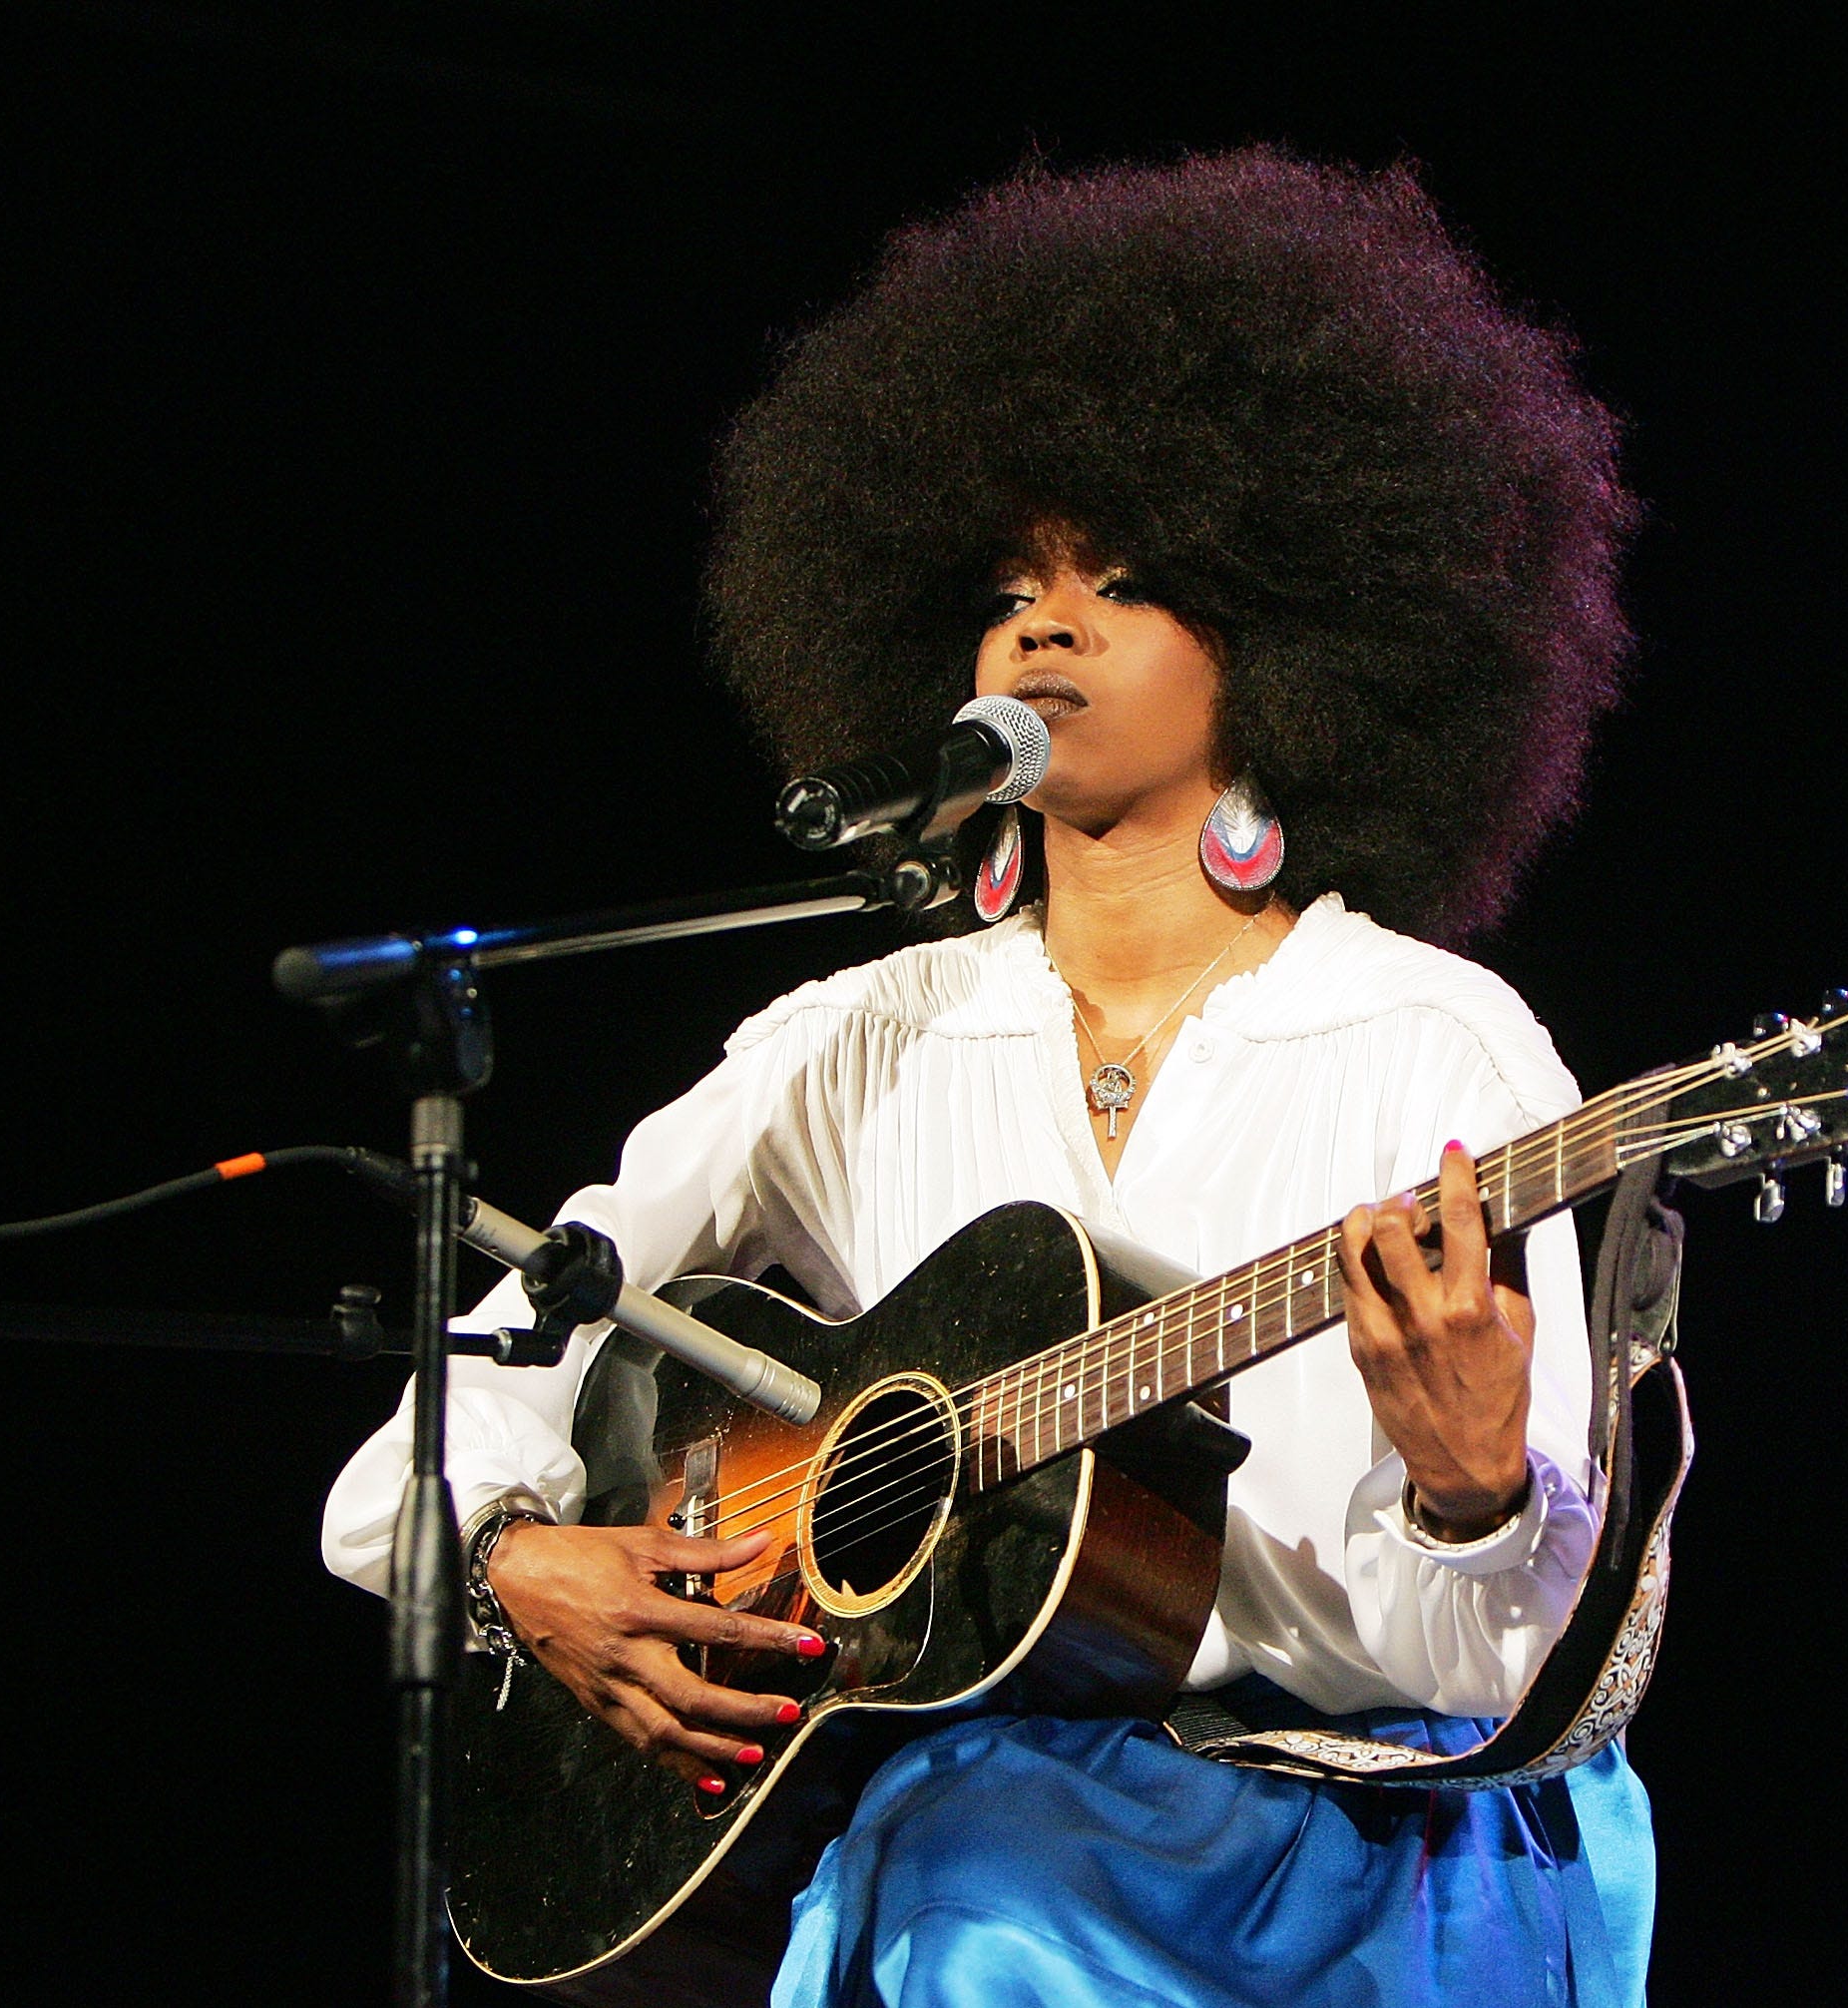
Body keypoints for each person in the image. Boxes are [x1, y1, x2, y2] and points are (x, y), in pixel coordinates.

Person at [324, 149, 1664, 2006]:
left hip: (1355, 1879)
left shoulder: (1437, 1045)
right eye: (1011, 587)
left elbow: (1499, 1675)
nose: (1045, 627)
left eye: (1122, 583)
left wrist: (1468, 1493)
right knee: (975, 1870)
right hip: (975, 1867)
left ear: (1282, 649)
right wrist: (514, 1567)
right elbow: (458, 1390)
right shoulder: (858, 1039)